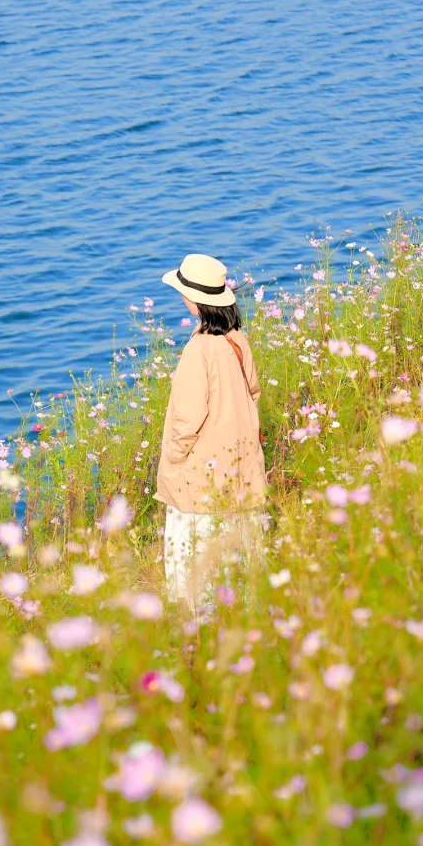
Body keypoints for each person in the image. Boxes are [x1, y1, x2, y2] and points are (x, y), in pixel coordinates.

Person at [156, 253, 268, 608]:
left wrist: (173, 458)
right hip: (240, 465)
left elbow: (187, 420)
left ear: (195, 301)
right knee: (240, 556)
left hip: (201, 476)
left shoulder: (198, 350)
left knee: (196, 569)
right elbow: (253, 393)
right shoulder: (236, 339)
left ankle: (200, 634)